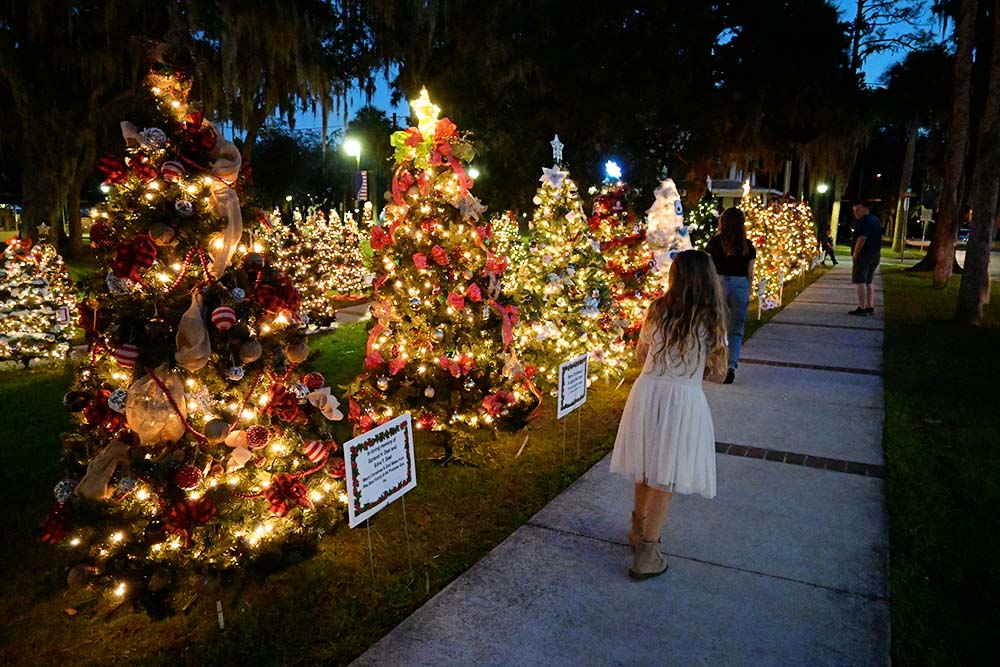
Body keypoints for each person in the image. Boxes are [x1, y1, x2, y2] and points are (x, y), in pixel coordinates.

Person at [610, 250, 728, 580]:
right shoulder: (711, 318)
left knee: (646, 466)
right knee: (667, 474)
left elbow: (640, 355)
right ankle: (648, 551)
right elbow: (718, 373)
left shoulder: (657, 309)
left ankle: (637, 526)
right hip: (683, 397)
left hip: (648, 393)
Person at [705, 207, 755, 384]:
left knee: (714, 326)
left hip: (718, 283)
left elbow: (708, 268)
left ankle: (711, 364)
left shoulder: (714, 243)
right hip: (739, 284)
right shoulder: (747, 246)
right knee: (735, 330)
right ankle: (730, 366)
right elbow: (750, 273)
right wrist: (748, 291)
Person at [849, 200, 882, 316]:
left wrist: (855, 254)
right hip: (875, 254)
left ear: (865, 208)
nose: (856, 213)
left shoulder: (863, 222)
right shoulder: (876, 220)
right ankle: (869, 306)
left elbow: (862, 238)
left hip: (864, 255)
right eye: (854, 211)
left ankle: (862, 307)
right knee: (869, 281)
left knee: (860, 281)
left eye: (858, 210)